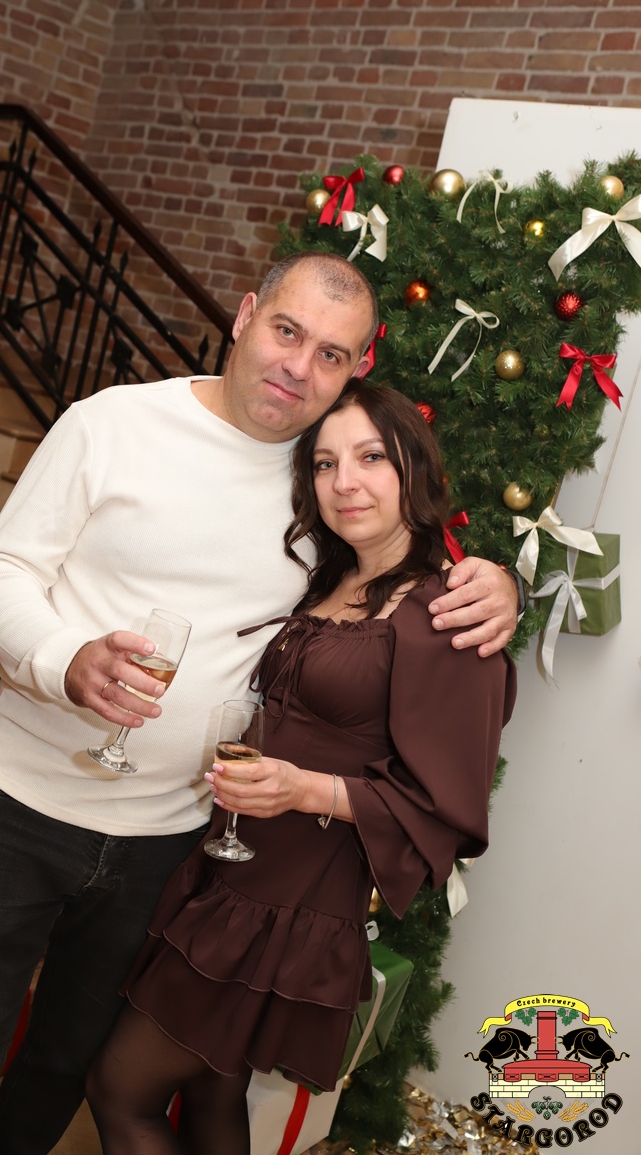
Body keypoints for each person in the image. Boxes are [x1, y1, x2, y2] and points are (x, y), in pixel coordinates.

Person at [0, 252, 519, 1155]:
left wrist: (495, 582)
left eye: (331, 354)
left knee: (62, 1066)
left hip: (170, 843)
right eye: (286, 331)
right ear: (246, 315)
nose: (298, 366)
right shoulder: (113, 423)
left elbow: (398, 569)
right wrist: (64, 660)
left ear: (357, 368)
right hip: (18, 808)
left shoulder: (324, 481)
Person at [85, 380, 517, 1154]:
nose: (344, 481)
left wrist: (302, 789)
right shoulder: (327, 577)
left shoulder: (446, 612)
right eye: (324, 463)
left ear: (415, 468)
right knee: (213, 1095)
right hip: (233, 870)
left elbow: (445, 810)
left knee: (121, 1091)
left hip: (292, 900)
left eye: (370, 457)